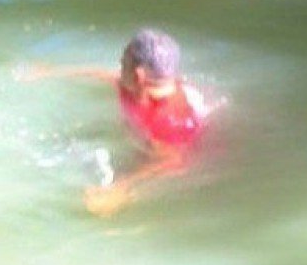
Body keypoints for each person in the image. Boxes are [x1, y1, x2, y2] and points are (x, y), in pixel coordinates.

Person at [19, 28, 220, 216]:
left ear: (138, 75)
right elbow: (102, 75)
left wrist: (121, 187)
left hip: (182, 168)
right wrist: (50, 72)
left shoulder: (165, 119)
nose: (119, 66)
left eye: (123, 63)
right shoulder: (136, 86)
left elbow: (173, 161)